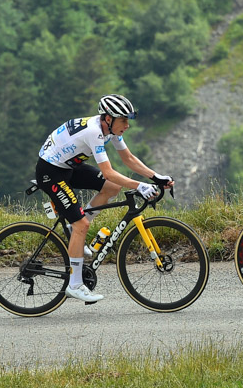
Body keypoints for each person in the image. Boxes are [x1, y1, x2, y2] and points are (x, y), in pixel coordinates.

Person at [35, 94, 174, 303]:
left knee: (112, 188)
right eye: (124, 120)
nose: (127, 125)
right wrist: (140, 185)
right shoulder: (94, 132)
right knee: (81, 223)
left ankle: (75, 232)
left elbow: (127, 158)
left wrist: (155, 177)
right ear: (108, 118)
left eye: (128, 120)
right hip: (51, 171)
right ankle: (75, 285)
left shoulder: (110, 129)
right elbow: (108, 171)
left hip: (69, 166)